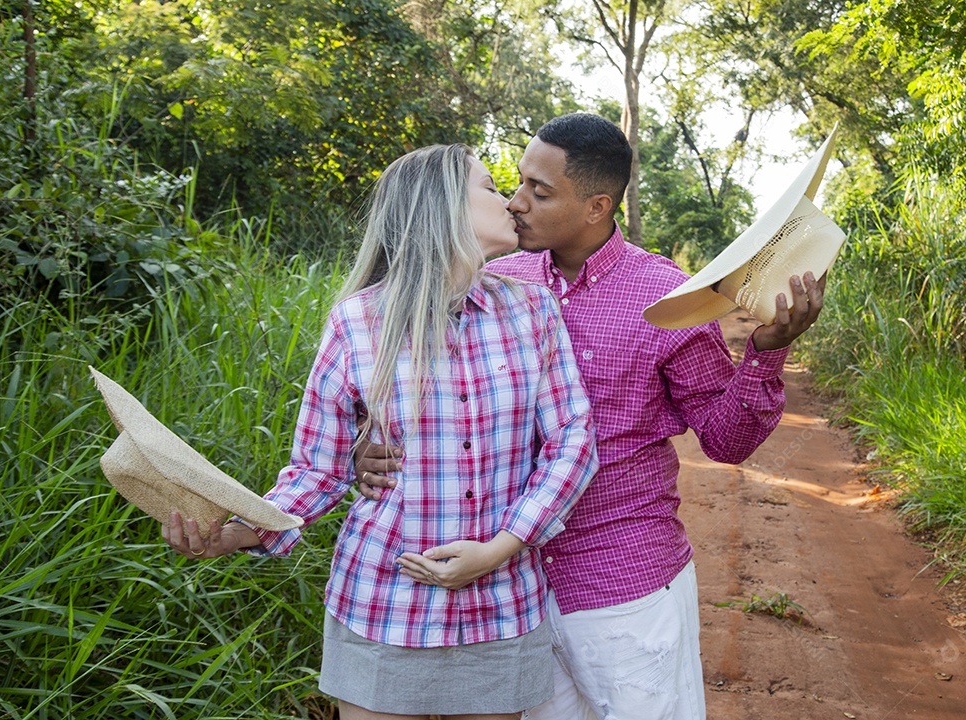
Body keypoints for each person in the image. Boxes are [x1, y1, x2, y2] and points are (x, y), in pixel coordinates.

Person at [355, 115, 826, 720]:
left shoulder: (668, 299)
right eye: (517, 182)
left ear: (597, 205)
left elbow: (725, 441)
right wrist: (366, 451)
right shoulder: (496, 279)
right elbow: (438, 406)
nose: (516, 203)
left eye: (540, 192)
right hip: (508, 592)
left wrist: (766, 353)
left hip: (623, 588)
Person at [162, 143, 598, 720]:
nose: (512, 202)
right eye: (490, 187)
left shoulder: (532, 310)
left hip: (500, 604)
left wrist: (502, 547)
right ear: (442, 207)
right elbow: (317, 468)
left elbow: (573, 438)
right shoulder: (357, 322)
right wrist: (240, 530)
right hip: (381, 603)